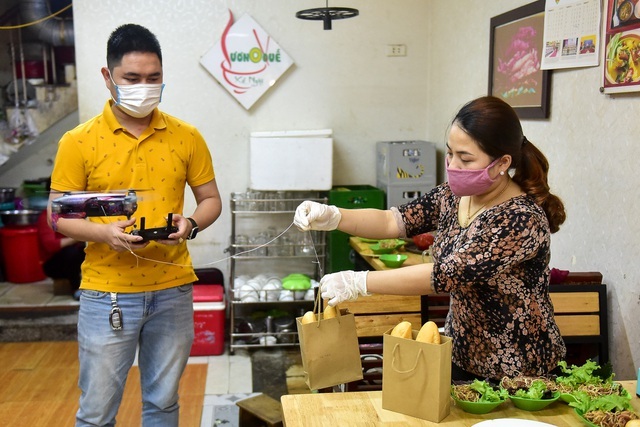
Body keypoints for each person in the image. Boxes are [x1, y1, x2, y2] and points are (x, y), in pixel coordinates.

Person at [294, 96, 567, 382]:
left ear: (503, 163)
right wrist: (335, 216)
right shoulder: (453, 196)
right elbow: (393, 220)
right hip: (463, 355)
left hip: (520, 369)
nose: (453, 164)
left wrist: (360, 282)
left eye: (466, 158)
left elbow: (445, 275)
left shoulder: (519, 219)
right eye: (450, 153)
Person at [46, 24, 222, 426]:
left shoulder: (186, 136)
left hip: (172, 290)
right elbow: (57, 215)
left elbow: (211, 200)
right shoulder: (78, 141)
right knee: (96, 412)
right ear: (108, 78)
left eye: (153, 78)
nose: (145, 87)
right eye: (132, 78)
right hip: (107, 293)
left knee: (163, 403)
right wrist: (105, 233)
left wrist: (191, 222)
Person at [37, 178, 85, 300]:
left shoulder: (75, 212)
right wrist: (79, 236)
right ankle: (76, 288)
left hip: (73, 257)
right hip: (53, 263)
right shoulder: (46, 215)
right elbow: (50, 245)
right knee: (71, 253)